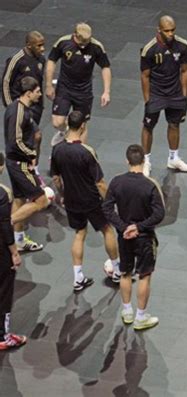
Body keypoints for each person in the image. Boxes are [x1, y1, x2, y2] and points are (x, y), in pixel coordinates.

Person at [50, 111, 119, 292]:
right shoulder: (87, 152)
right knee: (107, 230)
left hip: (71, 201)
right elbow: (100, 183)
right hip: (91, 200)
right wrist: (110, 202)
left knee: (80, 233)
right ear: (82, 126)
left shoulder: (57, 149)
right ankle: (118, 270)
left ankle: (78, 277)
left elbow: (56, 178)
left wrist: (63, 194)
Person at [103, 144, 165, 331]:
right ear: (143, 161)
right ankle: (141, 317)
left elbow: (107, 208)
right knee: (145, 275)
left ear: (127, 161)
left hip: (124, 237)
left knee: (125, 272)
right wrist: (138, 227)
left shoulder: (116, 182)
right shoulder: (150, 185)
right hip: (144, 237)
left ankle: (127, 311)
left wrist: (123, 228)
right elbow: (159, 214)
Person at [140, 15, 187, 175]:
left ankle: (173, 158)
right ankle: (146, 161)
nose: (170, 34)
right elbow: (145, 76)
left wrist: (184, 96)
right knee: (148, 126)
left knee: (174, 124)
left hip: (175, 92)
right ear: (159, 30)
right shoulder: (149, 49)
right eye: (167, 31)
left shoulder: (182, 46)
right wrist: (148, 100)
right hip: (156, 93)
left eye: (173, 30)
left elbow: (185, 71)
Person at [46, 22, 111, 145]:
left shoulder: (96, 47)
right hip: (64, 88)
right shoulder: (63, 42)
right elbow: (51, 61)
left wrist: (106, 91)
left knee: (82, 125)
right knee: (57, 122)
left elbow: (105, 67)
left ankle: (81, 153)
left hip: (83, 91)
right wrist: (48, 85)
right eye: (81, 44)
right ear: (74, 35)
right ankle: (65, 131)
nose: (83, 47)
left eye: (86, 44)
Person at [4, 76, 49, 252]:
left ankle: (19, 240)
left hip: (16, 161)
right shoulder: (18, 112)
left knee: (19, 199)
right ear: (28, 93)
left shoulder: (22, 108)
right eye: (37, 92)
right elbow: (15, 141)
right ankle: (6, 227)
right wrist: (31, 154)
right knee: (41, 200)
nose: (40, 94)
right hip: (19, 163)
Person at [2, 31, 46, 180]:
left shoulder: (41, 59)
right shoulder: (17, 60)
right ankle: (23, 170)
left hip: (35, 107)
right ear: (29, 45)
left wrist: (40, 104)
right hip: (19, 106)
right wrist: (11, 107)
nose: (42, 49)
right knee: (33, 136)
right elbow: (5, 83)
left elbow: (38, 84)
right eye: (39, 46)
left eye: (43, 45)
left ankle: (33, 168)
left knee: (32, 138)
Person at [0, 152, 27, 350]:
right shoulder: (3, 193)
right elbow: (5, 225)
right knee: (4, 291)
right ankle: (3, 335)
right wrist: (14, 252)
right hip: (1, 252)